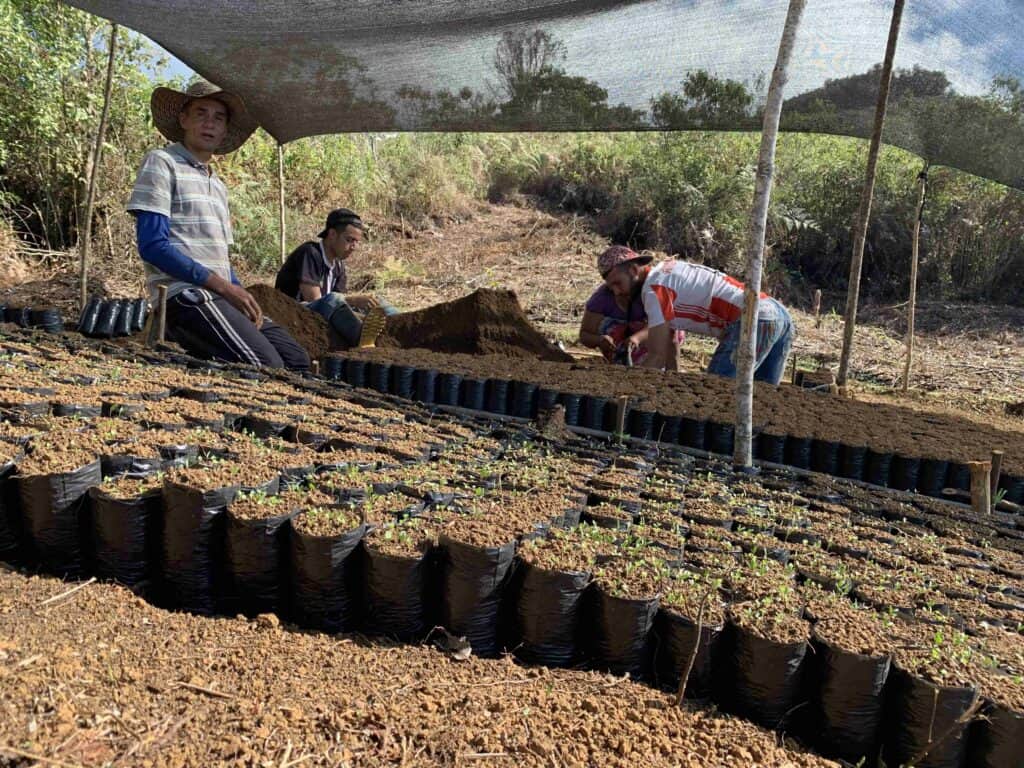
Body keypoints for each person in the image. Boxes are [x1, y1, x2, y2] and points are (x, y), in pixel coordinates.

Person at [127, 80, 309, 371]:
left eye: (218, 117)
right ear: (183, 120)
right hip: (184, 296)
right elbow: (153, 246)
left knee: (296, 360)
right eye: (201, 113)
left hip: (218, 295)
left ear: (225, 130)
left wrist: (240, 293)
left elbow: (220, 260)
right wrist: (226, 289)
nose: (209, 123)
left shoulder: (218, 186)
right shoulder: (162, 163)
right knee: (266, 365)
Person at [598, 245, 794, 384]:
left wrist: (627, 386)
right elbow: (670, 341)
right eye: (611, 287)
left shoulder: (653, 289)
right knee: (763, 397)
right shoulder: (665, 274)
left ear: (634, 270)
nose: (616, 292)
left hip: (754, 317)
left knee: (716, 391)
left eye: (617, 283)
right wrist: (673, 380)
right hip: (779, 315)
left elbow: (657, 357)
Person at [275, 208, 397, 348]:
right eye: (349, 240)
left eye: (357, 242)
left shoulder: (338, 266)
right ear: (332, 234)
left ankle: (402, 330)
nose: (354, 247)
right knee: (333, 298)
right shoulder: (310, 253)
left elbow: (341, 306)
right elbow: (315, 300)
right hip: (295, 314)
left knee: (376, 302)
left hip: (328, 313)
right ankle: (364, 343)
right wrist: (354, 300)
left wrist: (359, 306)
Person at [578, 281, 683, 366]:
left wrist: (637, 338)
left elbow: (664, 324)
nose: (618, 293)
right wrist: (600, 340)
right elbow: (585, 335)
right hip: (619, 344)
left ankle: (656, 368)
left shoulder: (651, 292)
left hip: (652, 338)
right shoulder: (601, 298)